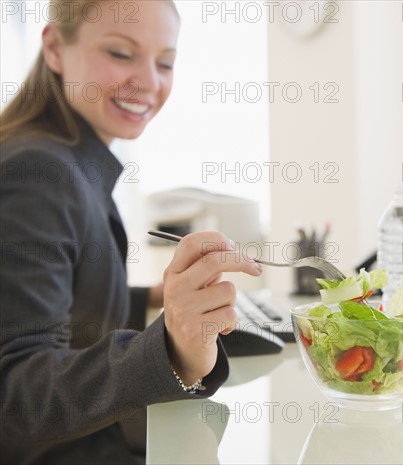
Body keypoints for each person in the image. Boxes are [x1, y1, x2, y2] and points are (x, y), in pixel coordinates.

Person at [0, 1, 262, 463]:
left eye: (164, 62)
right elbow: (18, 393)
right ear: (55, 48)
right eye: (121, 53)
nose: (149, 81)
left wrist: (154, 297)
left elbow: (66, 300)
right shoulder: (38, 173)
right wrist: (171, 348)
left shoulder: (68, 160)